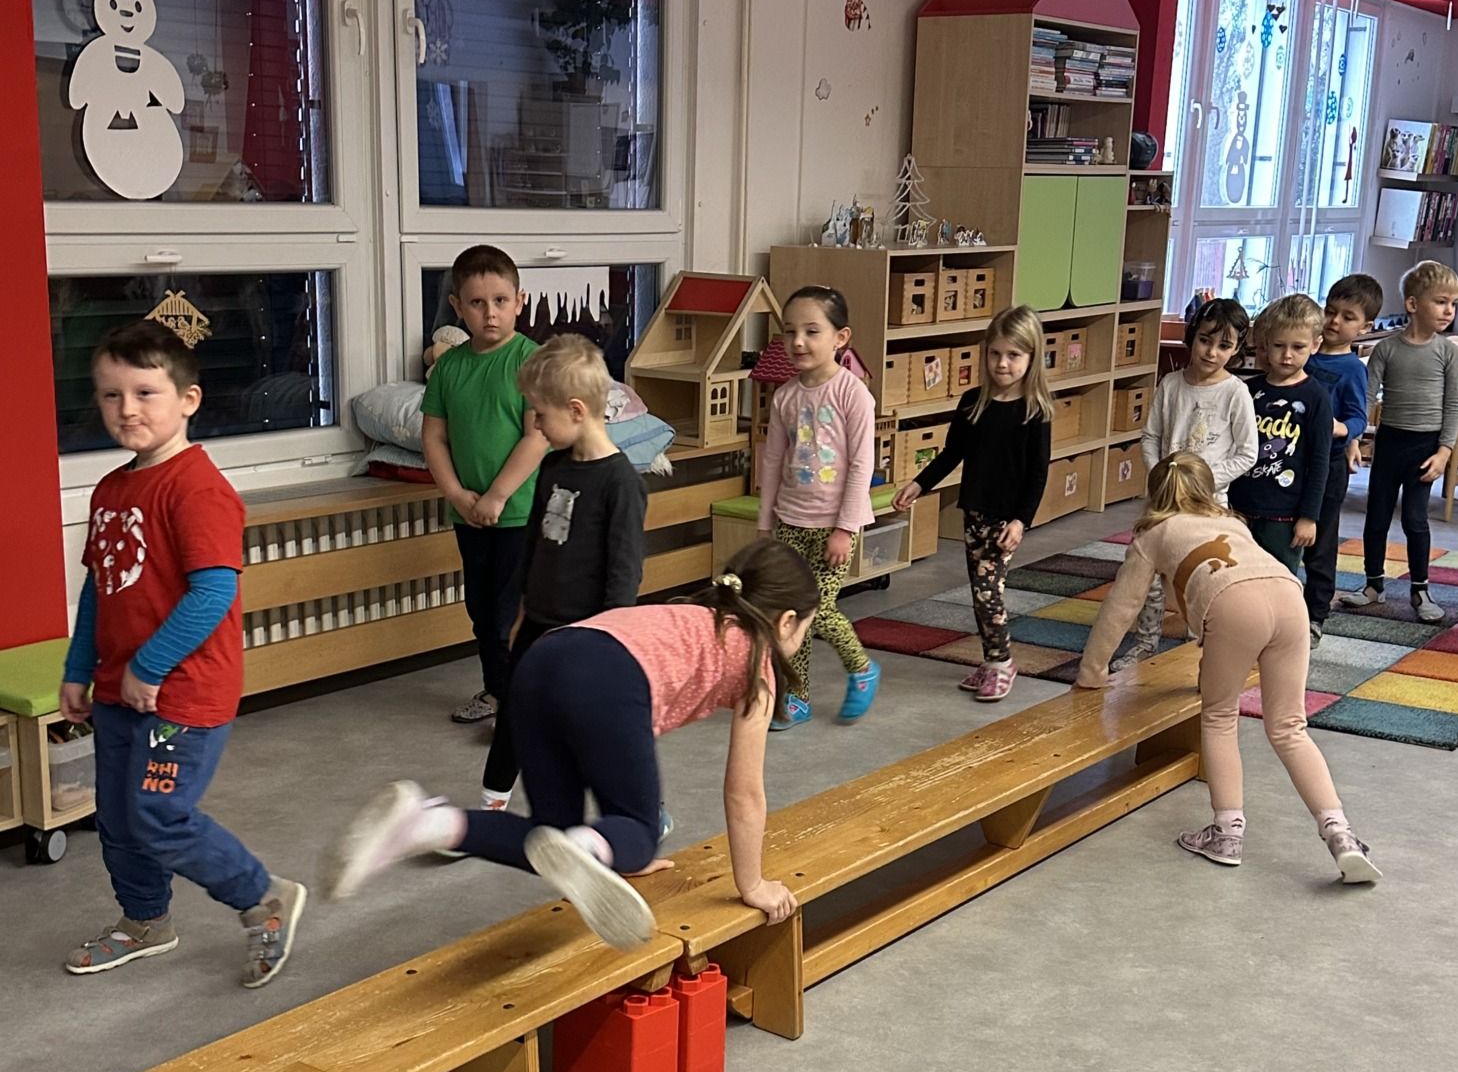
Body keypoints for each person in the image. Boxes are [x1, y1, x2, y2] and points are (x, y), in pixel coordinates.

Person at [323, 540, 818, 949]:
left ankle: (424, 823)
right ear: (786, 621)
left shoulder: (691, 615)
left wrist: (616, 849)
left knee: (550, 839)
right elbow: (744, 793)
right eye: (807, 629)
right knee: (639, 832)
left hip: (544, 660)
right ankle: (587, 847)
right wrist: (753, 884)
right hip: (607, 679)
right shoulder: (758, 665)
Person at [58, 322, 305, 984]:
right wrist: (79, 669)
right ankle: (145, 922)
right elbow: (102, 588)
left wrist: (149, 665)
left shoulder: (197, 489)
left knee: (159, 815)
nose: (127, 409)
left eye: (145, 392)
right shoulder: (111, 490)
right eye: (111, 395)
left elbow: (212, 593)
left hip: (183, 694)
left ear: (188, 399)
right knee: (118, 818)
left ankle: (263, 897)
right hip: (118, 689)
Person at [1076, 453, 1380, 884]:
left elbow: (1121, 607)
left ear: (1154, 495)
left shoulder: (1152, 534)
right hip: (1289, 596)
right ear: (1207, 489)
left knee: (1219, 717)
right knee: (1290, 727)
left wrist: (1092, 670)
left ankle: (1226, 833)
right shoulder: (1232, 522)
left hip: (1234, 606)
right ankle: (1341, 834)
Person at [479, 334, 646, 811]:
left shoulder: (621, 483)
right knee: (515, 710)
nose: (534, 424)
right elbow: (534, 544)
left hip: (589, 633)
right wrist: (521, 611)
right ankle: (491, 804)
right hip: (538, 624)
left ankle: (641, 806)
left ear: (575, 410)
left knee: (591, 729)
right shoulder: (553, 467)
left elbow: (624, 572)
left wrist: (609, 642)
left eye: (540, 414)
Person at [891, 305, 1053, 701]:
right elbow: (951, 454)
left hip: (1005, 520)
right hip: (975, 512)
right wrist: (919, 484)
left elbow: (1038, 474)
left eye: (1013, 355)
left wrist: (1021, 521)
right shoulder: (972, 402)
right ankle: (991, 658)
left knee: (987, 592)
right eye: (995, 353)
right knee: (980, 593)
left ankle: (1002, 663)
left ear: (1031, 357)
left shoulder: (1036, 412)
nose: (1002, 363)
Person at [421, 246, 547, 725]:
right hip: (469, 514)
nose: (489, 313)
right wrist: (458, 495)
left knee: (508, 614)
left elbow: (537, 435)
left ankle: (521, 701)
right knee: (480, 608)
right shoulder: (450, 368)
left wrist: (497, 496)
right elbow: (434, 437)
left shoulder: (531, 361)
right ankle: (497, 692)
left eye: (500, 301)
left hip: (519, 513)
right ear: (457, 306)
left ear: (519, 301)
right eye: (477, 303)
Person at [756, 286, 880, 728]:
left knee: (817, 610)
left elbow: (863, 463)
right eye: (789, 332)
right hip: (791, 520)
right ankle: (797, 696)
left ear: (840, 338)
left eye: (811, 331)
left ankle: (862, 669)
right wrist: (765, 523)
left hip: (834, 525)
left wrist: (845, 529)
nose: (798, 342)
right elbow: (772, 460)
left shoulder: (853, 394)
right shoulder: (785, 397)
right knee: (789, 614)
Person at [1113, 297, 1258, 673]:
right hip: (1163, 503)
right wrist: (1161, 478)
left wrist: (1199, 483)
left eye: (1224, 345)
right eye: (1205, 341)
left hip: (1208, 506)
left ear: (1237, 349)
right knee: (1147, 574)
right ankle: (1145, 642)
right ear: (1192, 337)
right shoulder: (1171, 384)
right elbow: (1150, 437)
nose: (1212, 352)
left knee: (1202, 576)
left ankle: (1203, 646)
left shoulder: (1235, 393)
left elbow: (1247, 454)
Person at [1344, 261, 1458, 623]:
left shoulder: (1448, 352)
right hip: (1390, 443)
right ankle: (1373, 584)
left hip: (1425, 447)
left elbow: (1454, 404)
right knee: (1377, 516)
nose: (1449, 311)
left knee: (1415, 519)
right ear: (1413, 304)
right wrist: (1354, 439)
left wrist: (1444, 452)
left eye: (1453, 304)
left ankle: (1420, 589)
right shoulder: (1386, 349)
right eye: (1441, 302)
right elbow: (1366, 397)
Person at [1229, 293, 1332, 578]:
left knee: (1279, 579)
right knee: (1236, 575)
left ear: (1315, 345)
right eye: (1278, 346)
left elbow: (1319, 461)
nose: (1287, 355)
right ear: (1266, 344)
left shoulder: (1316, 397)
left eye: (1298, 347)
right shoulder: (1247, 390)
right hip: (1240, 505)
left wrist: (1309, 517)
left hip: (1285, 514)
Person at [1304, 273, 1378, 641]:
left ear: (1365, 327)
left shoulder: (1353, 369)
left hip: (1329, 465)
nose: (1334, 321)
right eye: (1330, 311)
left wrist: (1342, 431)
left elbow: (1359, 418)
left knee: (1321, 539)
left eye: (1348, 317)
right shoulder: (1304, 353)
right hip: (1290, 458)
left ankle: (1315, 614)